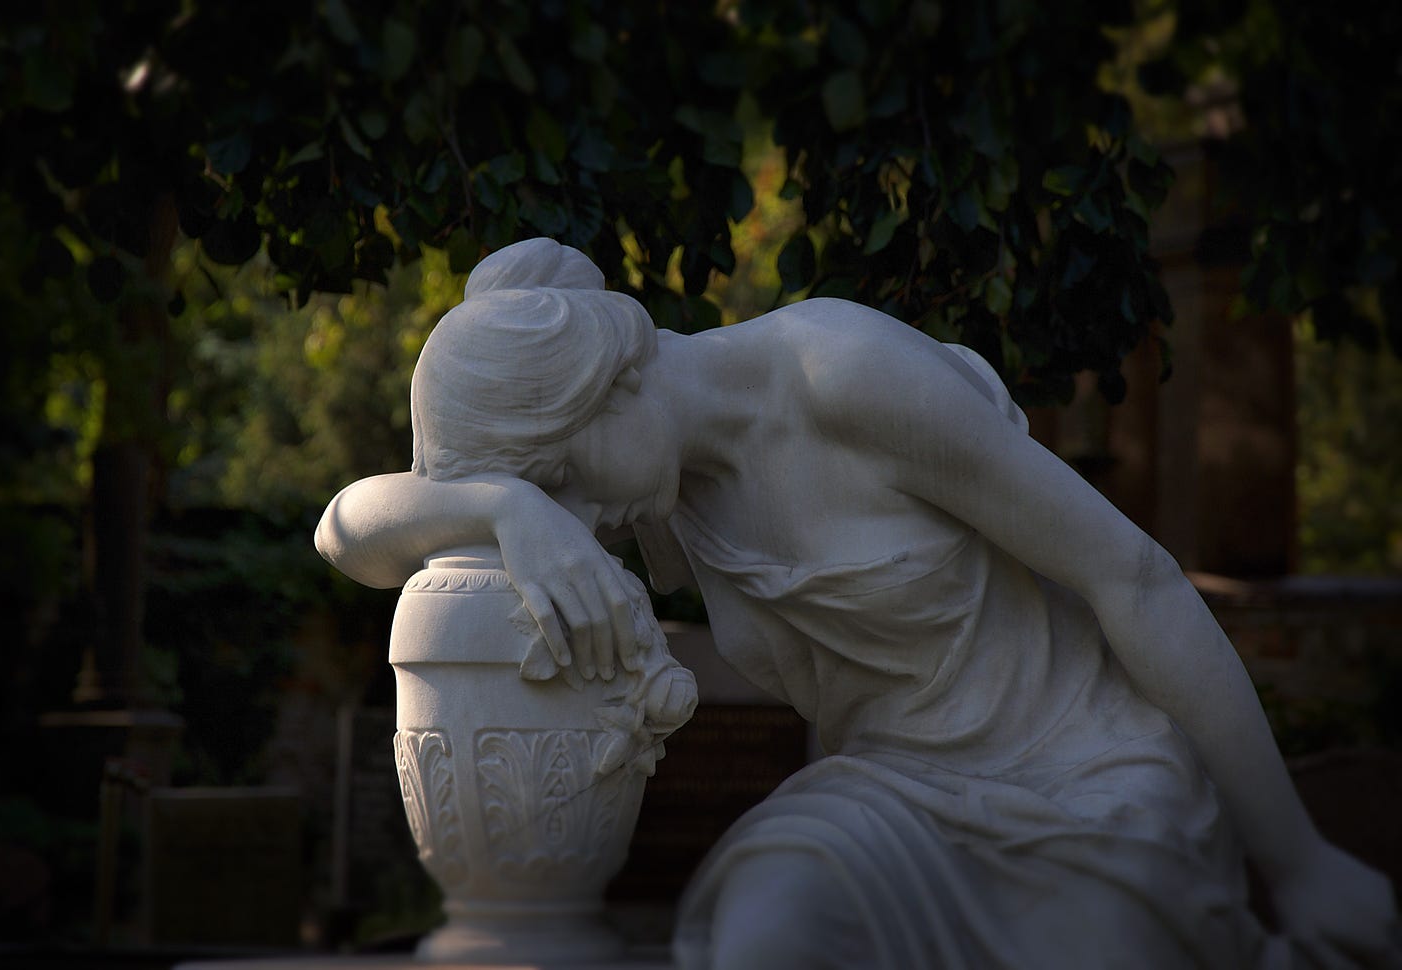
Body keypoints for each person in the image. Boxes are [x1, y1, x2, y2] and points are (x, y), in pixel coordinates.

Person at [316, 238, 1398, 969]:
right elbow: (345, 531)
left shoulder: (840, 373)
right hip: (882, 802)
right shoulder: (651, 489)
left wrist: (1295, 861)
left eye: (563, 476)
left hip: (1083, 782)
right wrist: (508, 505)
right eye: (555, 496)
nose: (581, 521)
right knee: (764, 943)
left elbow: (1134, 577)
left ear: (612, 379)